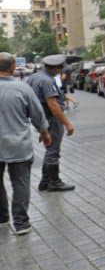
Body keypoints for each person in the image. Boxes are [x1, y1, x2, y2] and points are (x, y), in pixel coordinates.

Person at [0, 53, 52, 235]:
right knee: (20, 183)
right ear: (13, 67)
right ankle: (21, 223)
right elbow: (37, 114)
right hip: (18, 145)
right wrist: (44, 132)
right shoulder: (22, 89)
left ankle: (2, 217)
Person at [26, 54, 76, 192]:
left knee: (50, 150)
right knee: (53, 150)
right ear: (55, 68)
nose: (61, 72)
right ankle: (54, 182)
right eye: (60, 69)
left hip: (41, 118)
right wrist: (67, 124)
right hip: (51, 119)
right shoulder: (47, 81)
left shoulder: (33, 77)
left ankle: (45, 181)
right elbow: (53, 105)